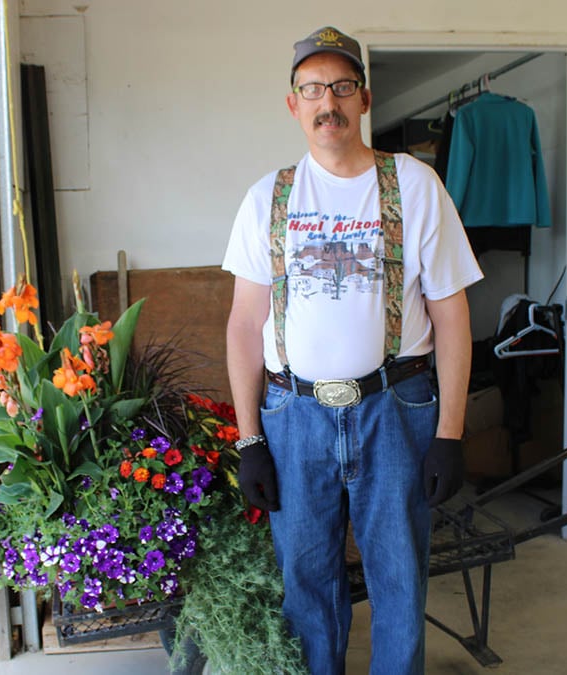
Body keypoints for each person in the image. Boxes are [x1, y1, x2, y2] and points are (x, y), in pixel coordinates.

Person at [221, 26, 483, 675]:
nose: (326, 102)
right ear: (293, 105)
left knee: (399, 580)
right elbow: (243, 323)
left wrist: (450, 431)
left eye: (340, 87)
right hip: (295, 417)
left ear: (363, 98)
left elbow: (452, 315)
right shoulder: (268, 199)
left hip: (395, 409)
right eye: (312, 89)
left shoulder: (414, 185)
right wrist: (250, 438)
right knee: (306, 585)